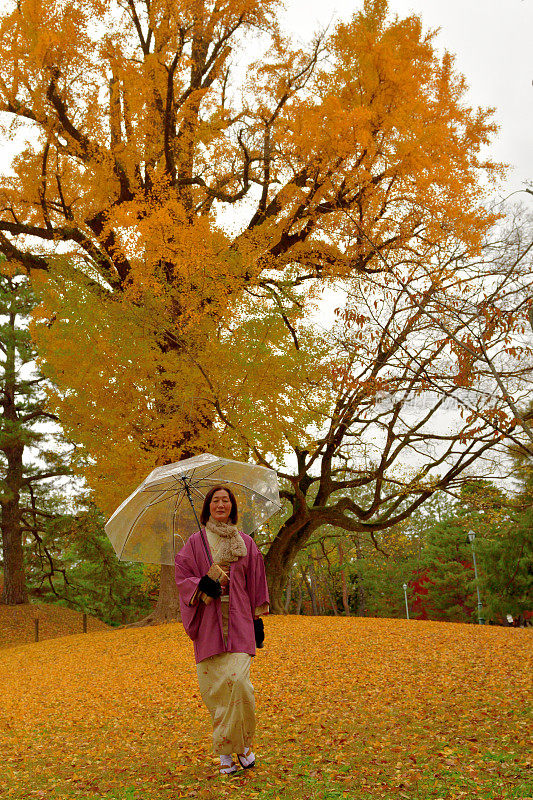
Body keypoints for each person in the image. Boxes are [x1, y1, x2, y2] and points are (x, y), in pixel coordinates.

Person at [174, 485, 270, 775]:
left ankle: (237, 746)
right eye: (215, 500)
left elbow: (256, 578)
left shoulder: (246, 543)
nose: (220, 505)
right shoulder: (195, 542)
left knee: (239, 684)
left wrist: (256, 619)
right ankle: (234, 752)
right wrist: (202, 584)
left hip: (239, 620)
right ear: (207, 507)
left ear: (232, 507)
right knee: (216, 690)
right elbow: (182, 575)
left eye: (225, 501)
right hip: (209, 623)